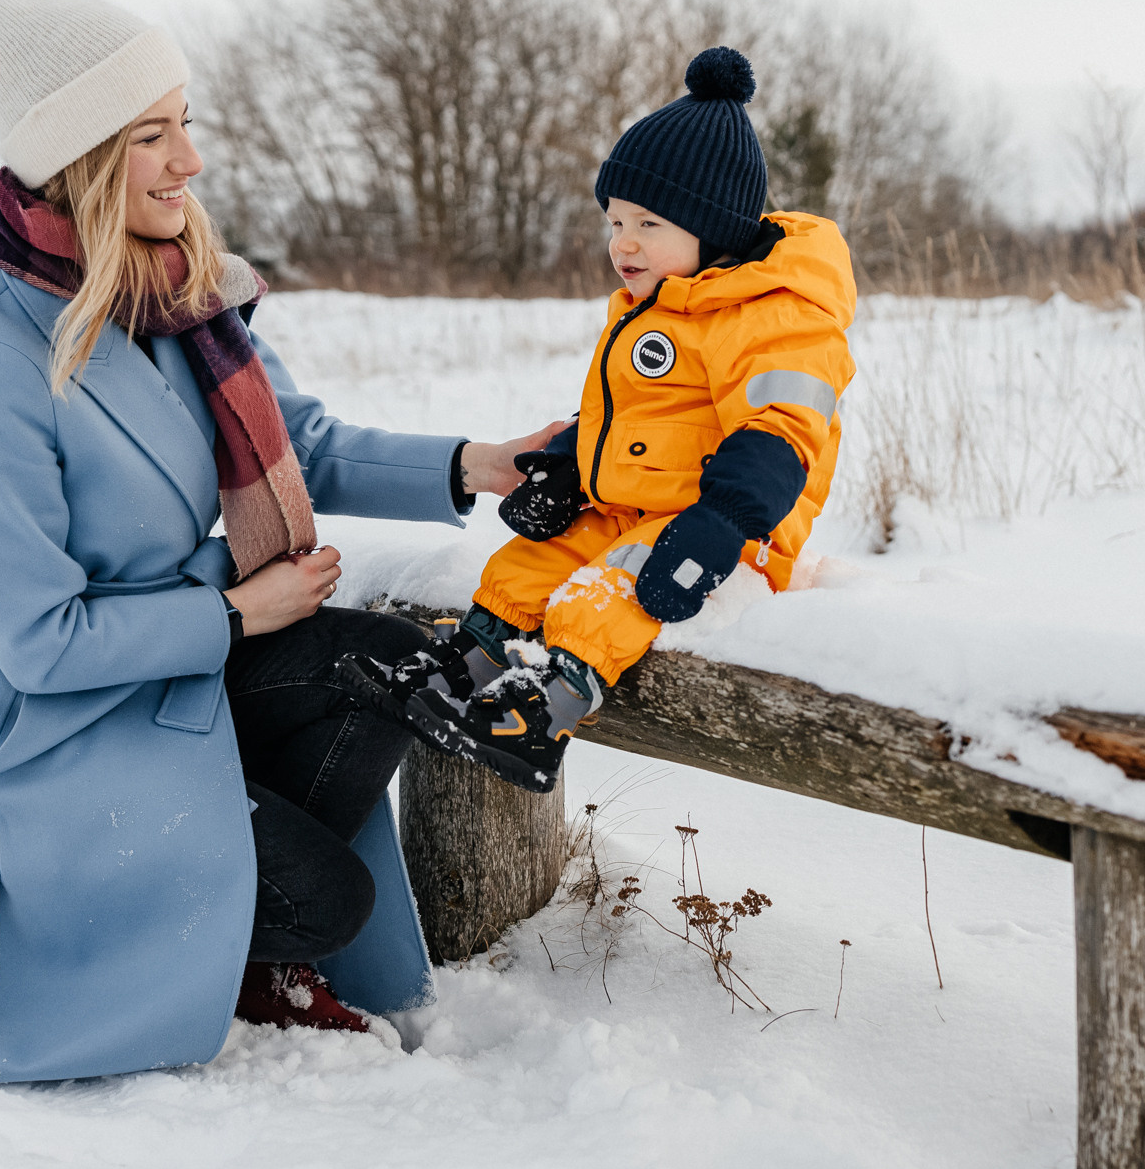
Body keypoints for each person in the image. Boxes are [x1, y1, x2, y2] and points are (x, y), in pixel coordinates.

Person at [0, 0, 560, 1081]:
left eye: (185, 124)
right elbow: (41, 643)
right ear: (79, 158)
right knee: (331, 900)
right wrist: (236, 612)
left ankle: (213, 885)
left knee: (389, 662)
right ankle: (11, 908)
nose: (190, 162)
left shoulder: (183, 293)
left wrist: (475, 465)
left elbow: (300, 440)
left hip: (172, 665)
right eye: (152, 136)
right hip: (53, 724)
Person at [334, 48, 856, 792]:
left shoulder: (776, 316)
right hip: (632, 504)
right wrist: (572, 467)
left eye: (648, 222)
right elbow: (634, 417)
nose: (623, 243)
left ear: (713, 228)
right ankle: (464, 668)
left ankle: (542, 711)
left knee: (609, 589)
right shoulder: (662, 305)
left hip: (726, 528)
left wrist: (719, 525)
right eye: (614, 221)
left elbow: (783, 434)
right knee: (532, 562)